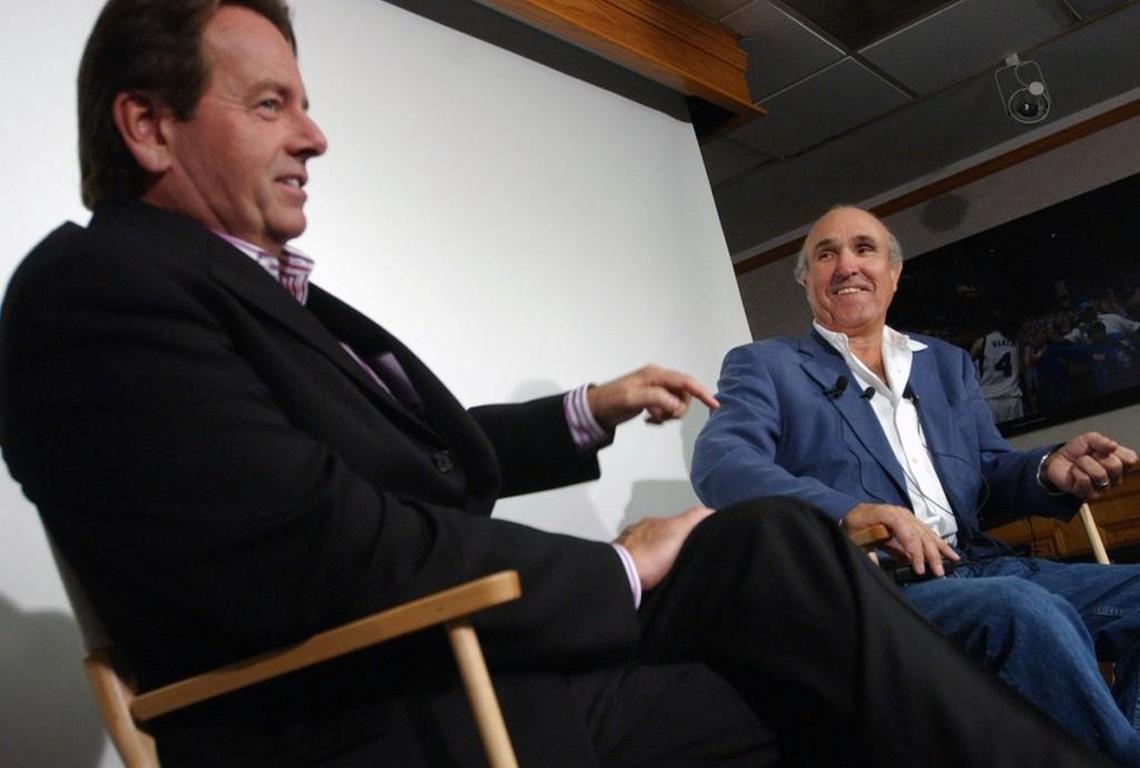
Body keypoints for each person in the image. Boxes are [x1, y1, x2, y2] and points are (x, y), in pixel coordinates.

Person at [0, 4, 1113, 766]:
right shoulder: (96, 292)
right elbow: (325, 548)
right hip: (400, 712)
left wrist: (589, 407)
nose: (315, 134)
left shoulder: (261, 300)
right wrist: (619, 565)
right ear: (147, 124)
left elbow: (421, 457)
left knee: (765, 545)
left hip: (467, 655)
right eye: (270, 105)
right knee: (839, 666)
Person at [692, 204, 1140, 767]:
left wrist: (1048, 469)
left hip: (985, 565)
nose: (845, 265)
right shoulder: (766, 366)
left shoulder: (946, 364)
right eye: (825, 254)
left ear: (893, 272)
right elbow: (721, 462)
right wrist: (852, 511)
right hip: (885, 589)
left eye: (863, 249)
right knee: (1022, 611)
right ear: (807, 281)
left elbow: (986, 473)